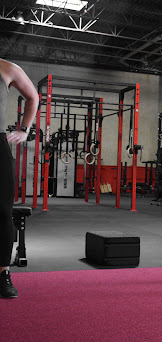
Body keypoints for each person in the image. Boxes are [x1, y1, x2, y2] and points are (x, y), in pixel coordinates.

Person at [0, 58, 39, 298]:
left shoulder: (6, 68)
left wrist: (24, 130)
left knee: (3, 212)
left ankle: (3, 273)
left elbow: (33, 97)